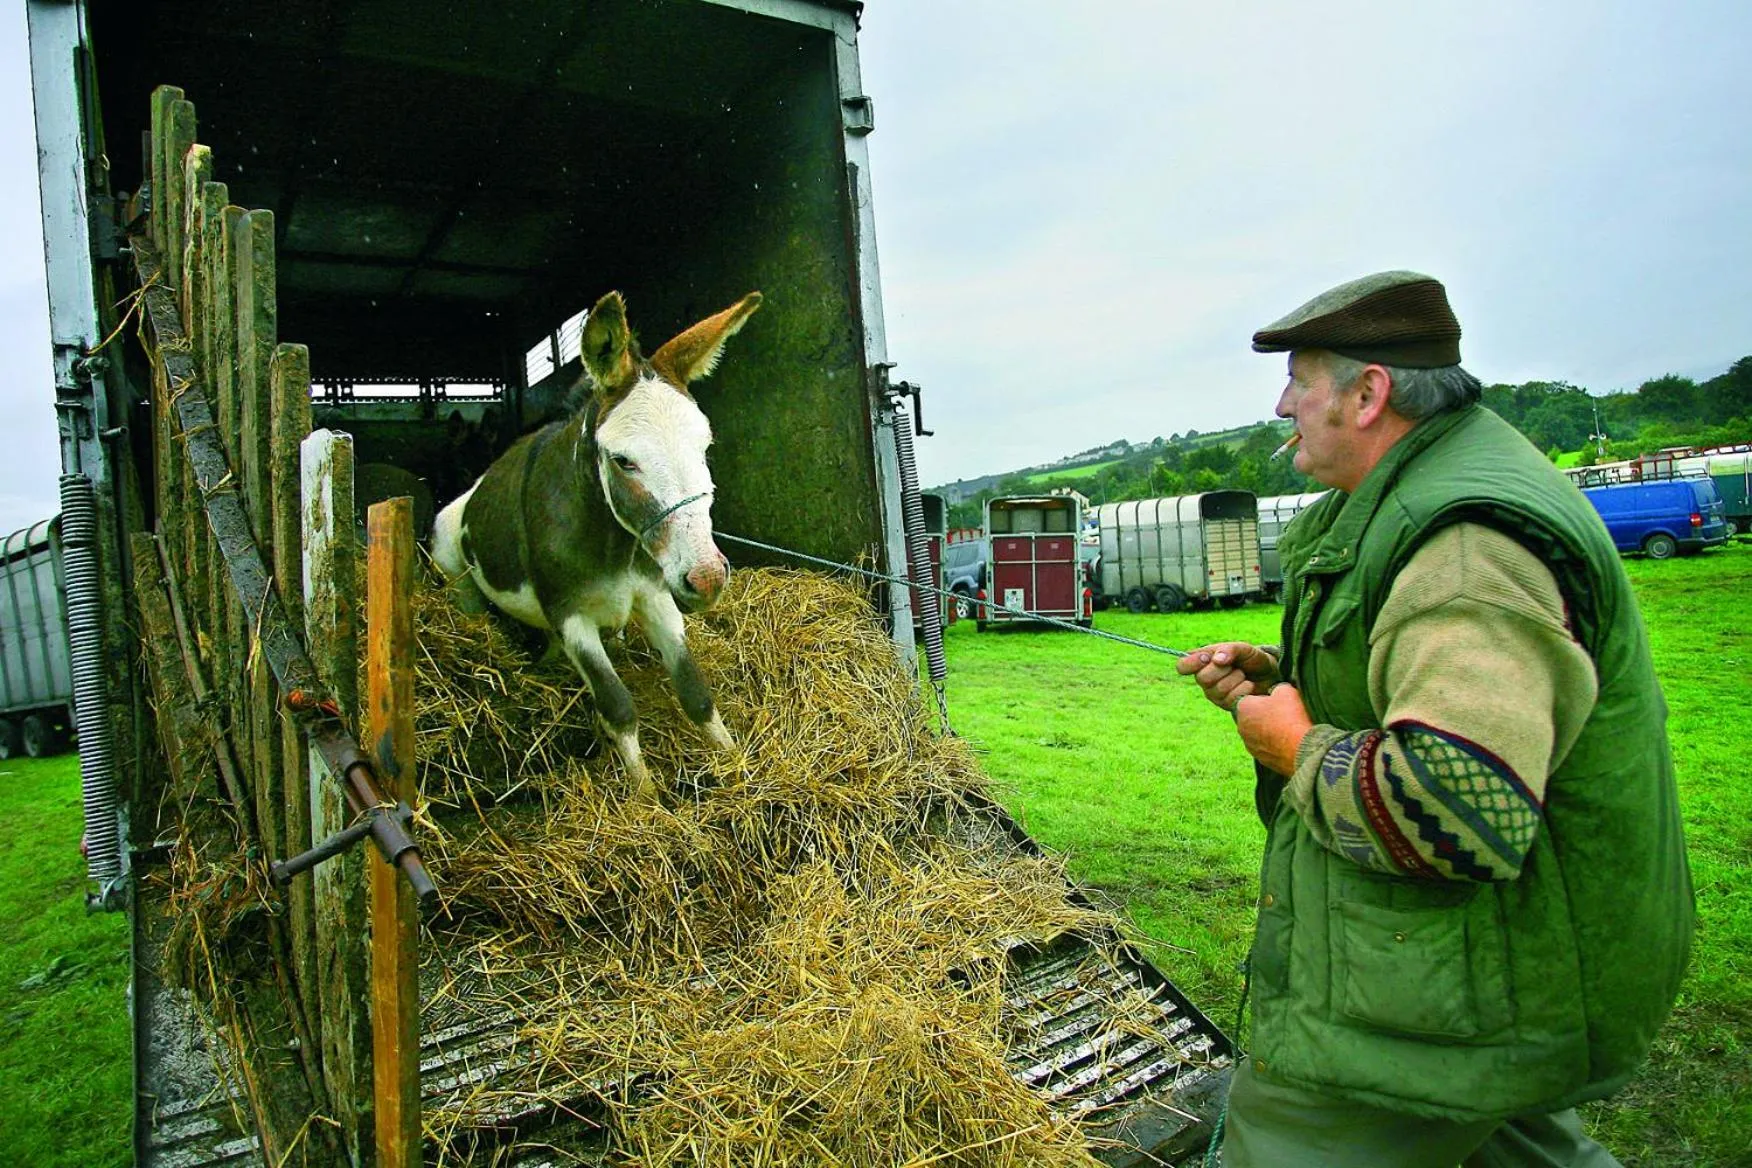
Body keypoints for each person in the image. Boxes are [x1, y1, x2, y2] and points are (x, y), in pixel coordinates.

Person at [1176, 271, 1693, 1167]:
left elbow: (1459, 808)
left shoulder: (1462, 543)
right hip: (1494, 971)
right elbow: (1420, 679)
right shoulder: (1421, 489)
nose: (1281, 404)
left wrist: (1294, 744)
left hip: (1453, 990)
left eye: (1301, 381)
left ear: (1369, 393)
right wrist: (1288, 678)